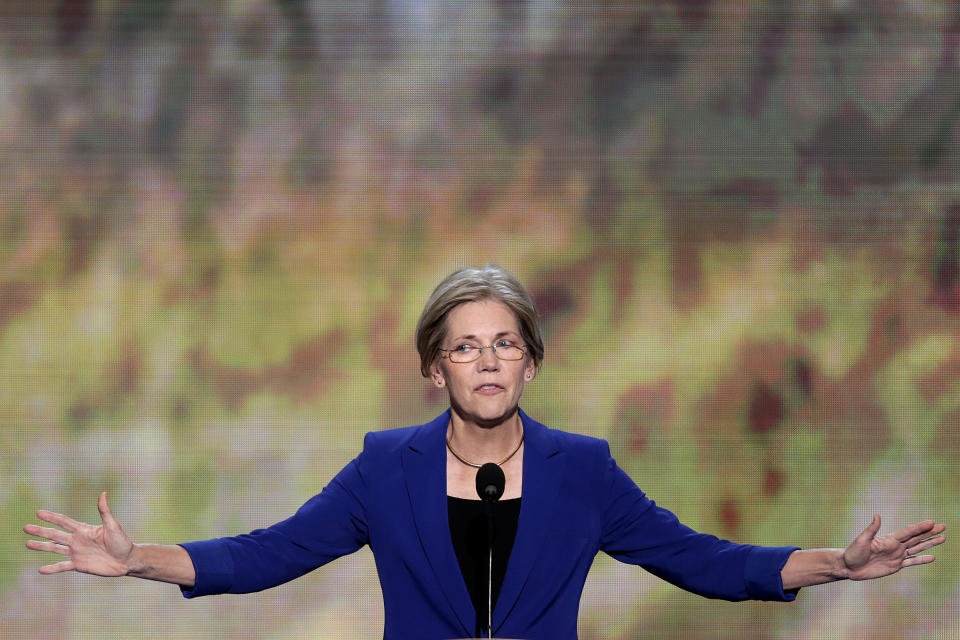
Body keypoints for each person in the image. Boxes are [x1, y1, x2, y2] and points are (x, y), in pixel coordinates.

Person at [24, 265, 946, 639]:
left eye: (505, 343)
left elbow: (702, 560)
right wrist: (137, 558)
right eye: (464, 345)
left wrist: (834, 563)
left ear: (533, 363)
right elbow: (270, 553)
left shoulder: (582, 470)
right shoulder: (384, 468)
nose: (487, 359)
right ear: (435, 369)